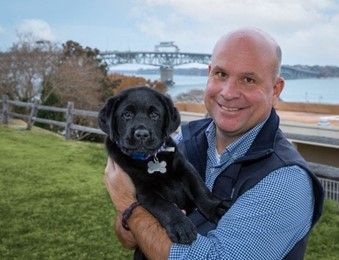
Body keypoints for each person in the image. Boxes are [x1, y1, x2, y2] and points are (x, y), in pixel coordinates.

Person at [104, 28, 324, 260]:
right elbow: (126, 238)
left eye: (248, 80)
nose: (228, 93)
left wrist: (129, 204)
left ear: (276, 89)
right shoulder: (179, 142)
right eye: (221, 74)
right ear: (209, 74)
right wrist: (136, 216)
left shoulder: (285, 181)